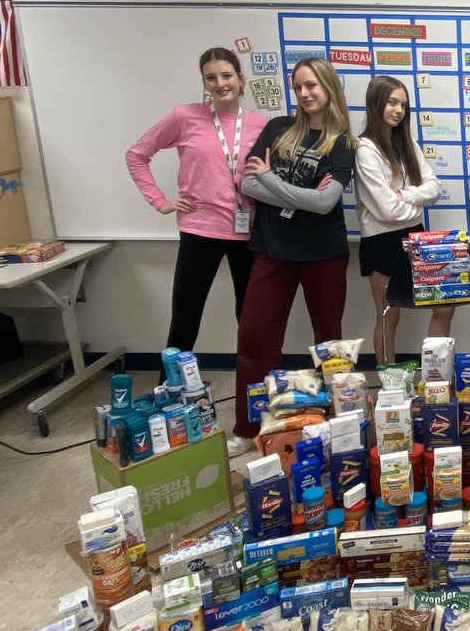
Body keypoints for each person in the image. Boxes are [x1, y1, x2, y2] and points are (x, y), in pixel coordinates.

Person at [230, 57, 356, 456]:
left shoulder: (342, 143)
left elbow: (325, 203)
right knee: (255, 338)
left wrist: (272, 179)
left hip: (323, 253)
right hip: (272, 249)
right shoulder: (277, 129)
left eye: (312, 86)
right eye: (299, 86)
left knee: (329, 343)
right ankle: (248, 426)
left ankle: (336, 418)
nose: (304, 94)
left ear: (329, 88)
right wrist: (287, 190)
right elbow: (248, 183)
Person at [125, 47, 268, 360]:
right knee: (185, 321)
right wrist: (160, 201)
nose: (220, 83)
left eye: (227, 75)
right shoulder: (184, 116)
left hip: (249, 232)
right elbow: (136, 155)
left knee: (250, 321)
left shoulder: (260, 124)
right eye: (211, 77)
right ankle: (170, 391)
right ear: (204, 83)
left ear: (241, 79)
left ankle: (251, 389)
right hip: (200, 229)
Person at [353, 76, 451, 365]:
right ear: (376, 103)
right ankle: (389, 384)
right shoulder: (364, 149)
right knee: (389, 314)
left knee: (444, 306)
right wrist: (416, 205)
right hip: (381, 241)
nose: (399, 110)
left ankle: (436, 374)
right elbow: (386, 211)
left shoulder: (407, 142)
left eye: (404, 105)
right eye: (392, 102)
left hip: (415, 236)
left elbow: (434, 188)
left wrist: (406, 195)